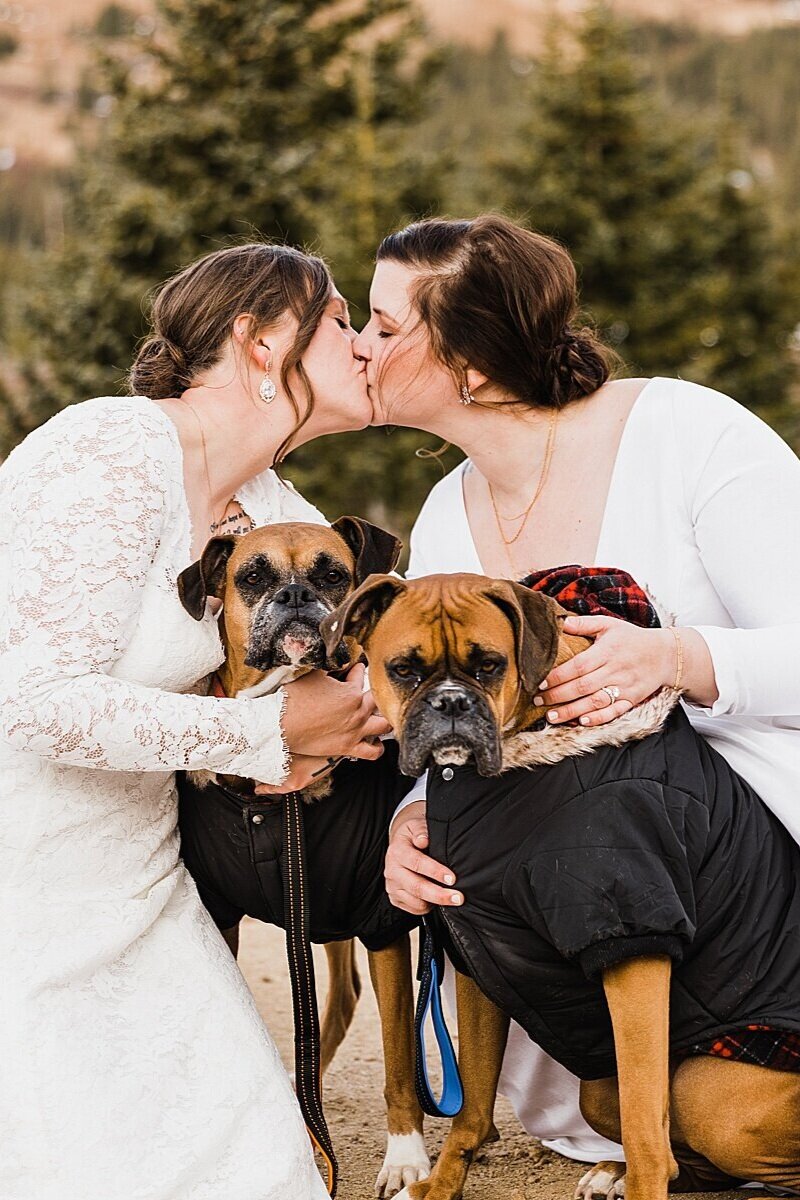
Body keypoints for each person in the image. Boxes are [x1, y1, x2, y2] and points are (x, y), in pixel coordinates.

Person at [352, 214, 800, 1162]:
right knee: (612, 1114)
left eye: (386, 327)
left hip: (763, 875)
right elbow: (449, 716)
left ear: (468, 357)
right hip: (592, 906)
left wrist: (673, 657)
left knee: (727, 1118)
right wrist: (410, 817)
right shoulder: (446, 520)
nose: (359, 345)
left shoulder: (687, 431)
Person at [0, 241, 393, 1200]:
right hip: (24, 886)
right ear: (259, 343)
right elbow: (30, 699)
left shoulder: (274, 507)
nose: (365, 346)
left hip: (141, 882)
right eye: (342, 322)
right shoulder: (107, 448)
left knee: (257, 1170)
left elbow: (320, 683)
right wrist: (267, 736)